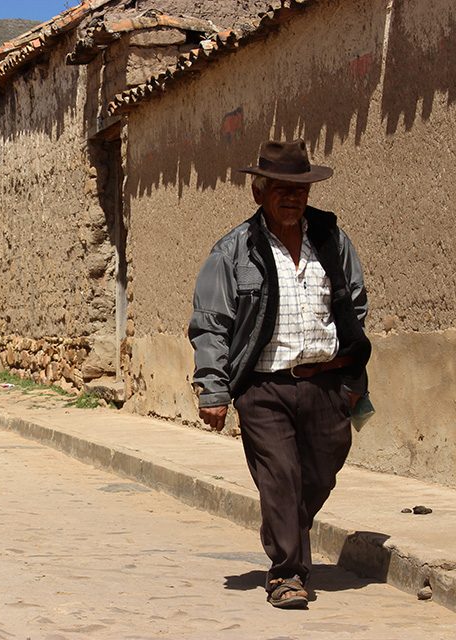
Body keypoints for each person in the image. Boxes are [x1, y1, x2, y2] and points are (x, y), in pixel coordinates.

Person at [188, 139, 371, 609]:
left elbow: (354, 304)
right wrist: (214, 389)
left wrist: (352, 378)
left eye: (300, 189)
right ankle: (287, 574)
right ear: (259, 192)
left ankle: (286, 528)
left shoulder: (331, 241)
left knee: (320, 475)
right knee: (281, 477)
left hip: (327, 383)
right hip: (264, 385)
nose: (292, 197)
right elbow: (211, 323)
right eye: (280, 189)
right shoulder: (234, 251)